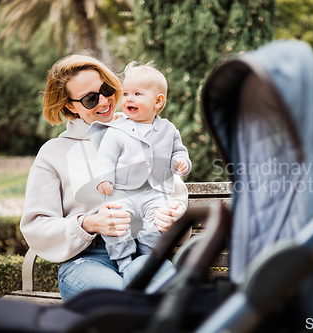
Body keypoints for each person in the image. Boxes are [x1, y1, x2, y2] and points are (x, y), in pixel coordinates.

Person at [19, 54, 190, 302]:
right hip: (86, 261)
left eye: (106, 89)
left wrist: (173, 217)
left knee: (157, 293)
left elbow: (173, 197)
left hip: (144, 252)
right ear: (70, 106)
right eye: (90, 98)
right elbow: (36, 227)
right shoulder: (52, 154)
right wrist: (89, 223)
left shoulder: (145, 131)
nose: (104, 101)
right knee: (123, 301)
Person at [89, 62, 192, 272]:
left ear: (158, 101)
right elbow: (105, 157)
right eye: (126, 93)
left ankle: (148, 258)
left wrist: (182, 162)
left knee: (158, 221)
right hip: (122, 191)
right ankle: (124, 262)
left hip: (154, 190)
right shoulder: (117, 130)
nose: (129, 98)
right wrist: (104, 179)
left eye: (137, 93)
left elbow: (179, 152)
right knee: (115, 225)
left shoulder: (168, 130)